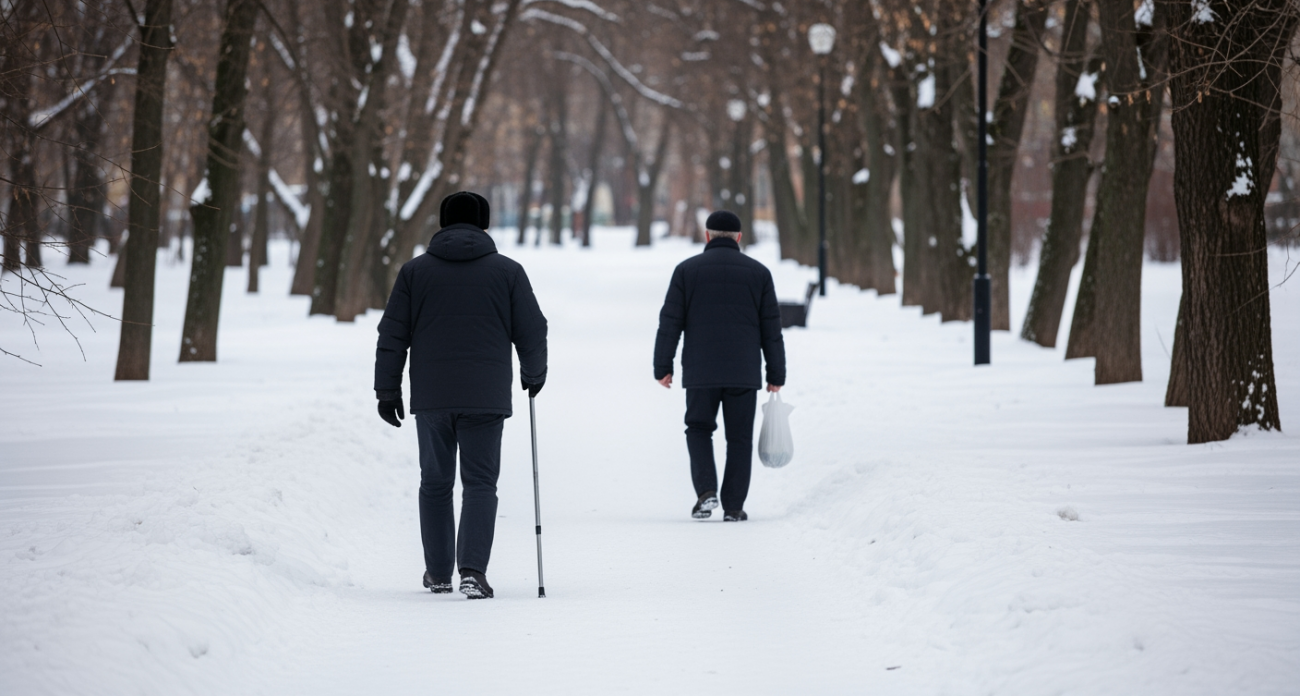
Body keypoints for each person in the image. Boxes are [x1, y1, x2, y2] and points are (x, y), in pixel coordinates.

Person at [374, 191, 547, 599]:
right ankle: (472, 571)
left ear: (442, 222)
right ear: (484, 223)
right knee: (481, 483)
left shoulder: (414, 273)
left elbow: (392, 334)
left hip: (432, 397)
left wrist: (387, 389)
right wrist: (534, 372)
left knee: (435, 483)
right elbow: (532, 328)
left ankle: (437, 573)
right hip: (486, 396)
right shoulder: (508, 272)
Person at [653, 210, 786, 522]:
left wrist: (663, 366)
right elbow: (772, 329)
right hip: (744, 372)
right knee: (739, 438)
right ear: (739, 238)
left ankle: (706, 492)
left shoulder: (686, 271)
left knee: (699, 428)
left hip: (701, 371)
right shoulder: (759, 273)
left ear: (707, 235)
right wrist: (776, 374)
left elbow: (669, 323)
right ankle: (734, 507)